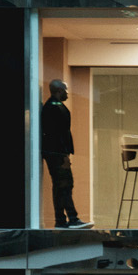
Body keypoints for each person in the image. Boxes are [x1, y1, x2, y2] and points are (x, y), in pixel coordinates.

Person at [41, 80, 82, 227]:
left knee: (60, 186)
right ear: (59, 90)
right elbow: (58, 134)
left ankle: (62, 219)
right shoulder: (54, 108)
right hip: (57, 153)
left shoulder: (52, 106)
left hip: (55, 153)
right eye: (65, 90)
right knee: (64, 184)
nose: (67, 93)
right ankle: (71, 217)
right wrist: (64, 154)